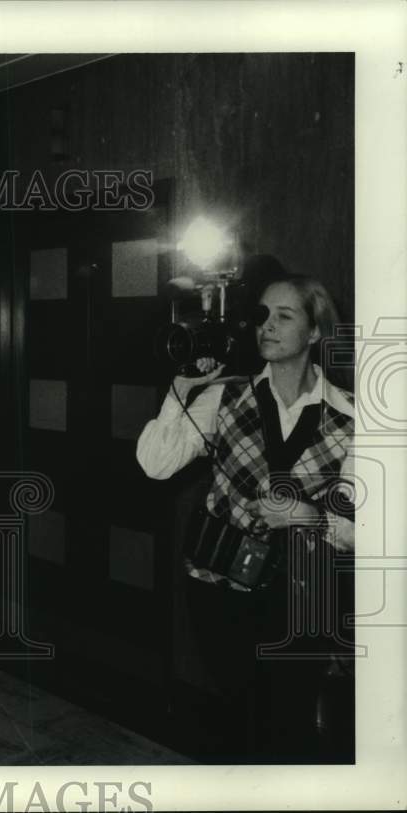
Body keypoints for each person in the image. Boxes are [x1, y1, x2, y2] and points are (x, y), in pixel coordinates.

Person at [137, 273, 355, 762]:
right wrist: (179, 392)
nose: (267, 326)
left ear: (314, 331)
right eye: (262, 315)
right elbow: (155, 464)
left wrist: (306, 516)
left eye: (284, 316)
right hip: (219, 588)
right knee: (240, 717)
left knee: (290, 722)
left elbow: (370, 531)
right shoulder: (226, 397)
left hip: (301, 596)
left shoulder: (350, 418)